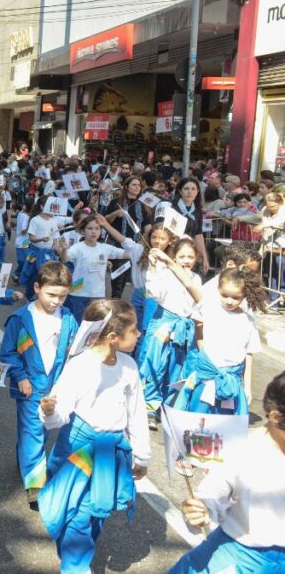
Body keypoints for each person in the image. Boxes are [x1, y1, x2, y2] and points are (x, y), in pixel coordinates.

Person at [38, 299, 149, 574]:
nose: (139, 334)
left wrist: (142, 454)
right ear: (113, 337)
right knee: (78, 514)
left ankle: (74, 558)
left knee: (97, 510)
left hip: (110, 451)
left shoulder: (129, 367)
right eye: (134, 330)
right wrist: (49, 411)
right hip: (77, 448)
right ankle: (76, 566)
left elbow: (136, 414)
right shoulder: (81, 364)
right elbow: (60, 413)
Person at [169, 372, 285, 573]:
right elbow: (211, 494)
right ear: (276, 417)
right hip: (243, 558)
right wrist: (199, 510)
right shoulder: (243, 450)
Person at [0, 261, 77, 509]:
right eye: (51, 294)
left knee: (43, 431)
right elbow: (8, 352)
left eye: (63, 296)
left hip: (56, 386)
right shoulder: (21, 319)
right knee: (33, 431)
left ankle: (26, 460)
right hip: (30, 386)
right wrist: (20, 376)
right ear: (37, 287)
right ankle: (35, 486)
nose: (57, 301)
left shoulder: (68, 319)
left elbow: (75, 347)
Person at [173, 268, 264, 416]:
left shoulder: (248, 321)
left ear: (244, 296)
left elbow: (249, 354)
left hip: (231, 382)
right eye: (224, 295)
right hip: (206, 376)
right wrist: (204, 355)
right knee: (198, 422)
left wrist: (247, 386)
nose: (229, 301)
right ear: (218, 289)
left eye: (236, 297)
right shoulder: (209, 308)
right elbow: (189, 285)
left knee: (224, 428)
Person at [137, 238, 203, 428]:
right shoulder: (165, 274)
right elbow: (154, 294)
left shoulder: (196, 279)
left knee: (177, 367)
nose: (186, 260)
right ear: (173, 257)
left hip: (184, 327)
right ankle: (148, 407)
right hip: (163, 322)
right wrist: (154, 269)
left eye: (190, 256)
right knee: (154, 364)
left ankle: (168, 407)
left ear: (196, 258)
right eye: (182, 256)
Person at [56, 215, 131, 322]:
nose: (94, 232)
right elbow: (64, 259)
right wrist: (64, 249)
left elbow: (128, 254)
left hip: (98, 295)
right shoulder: (78, 247)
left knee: (94, 326)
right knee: (76, 324)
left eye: (97, 228)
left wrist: (138, 248)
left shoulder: (105, 248)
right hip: (78, 293)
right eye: (90, 228)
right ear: (83, 230)